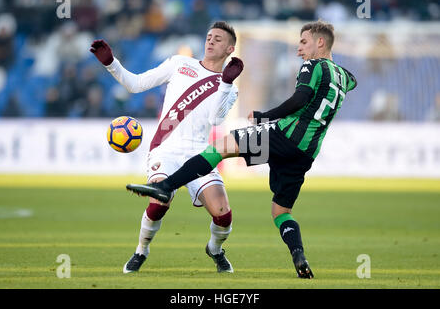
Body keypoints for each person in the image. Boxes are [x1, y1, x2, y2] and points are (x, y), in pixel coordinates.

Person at [127, 20, 357, 279]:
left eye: (303, 42)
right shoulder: (344, 77)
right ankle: (298, 254)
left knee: (221, 147)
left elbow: (300, 99)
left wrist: (264, 116)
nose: (299, 49)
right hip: (306, 152)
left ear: (320, 42)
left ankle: (166, 186)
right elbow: (351, 82)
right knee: (281, 211)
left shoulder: (313, 65)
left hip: (282, 136)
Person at [90, 21, 244, 274]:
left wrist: (225, 82)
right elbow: (136, 84)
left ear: (230, 49)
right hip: (165, 148)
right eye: (209, 36)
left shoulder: (231, 87)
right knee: (160, 201)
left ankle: (215, 249)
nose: (211, 41)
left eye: (218, 38)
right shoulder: (180, 64)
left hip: (200, 155)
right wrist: (110, 63)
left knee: (223, 215)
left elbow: (215, 120)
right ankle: (141, 250)